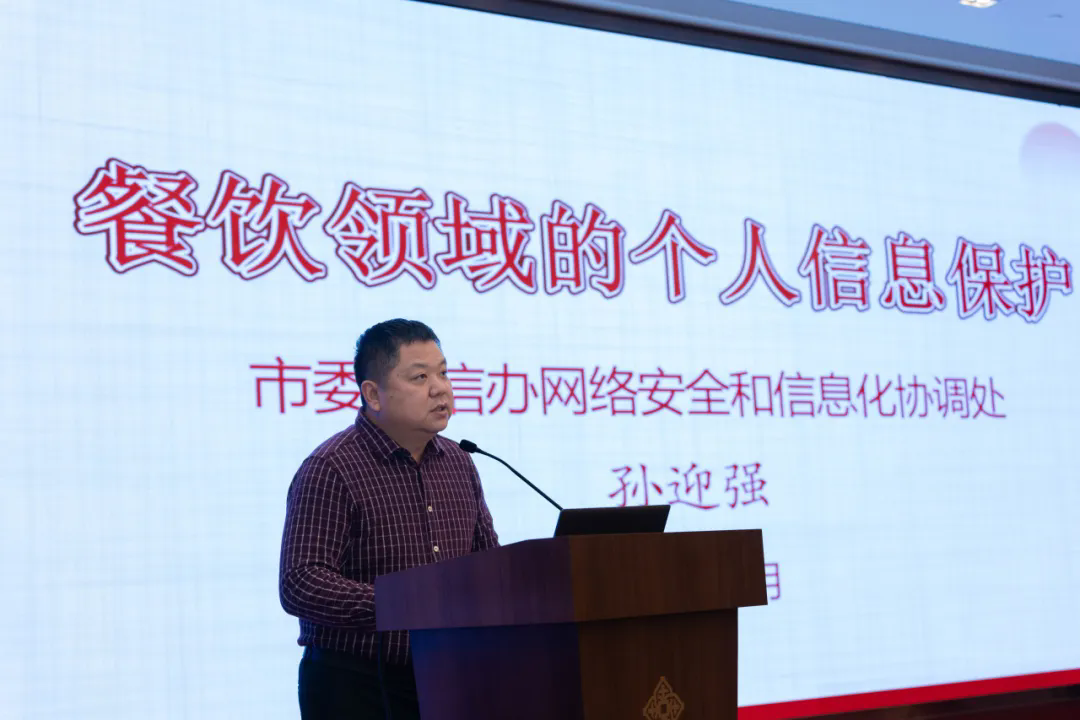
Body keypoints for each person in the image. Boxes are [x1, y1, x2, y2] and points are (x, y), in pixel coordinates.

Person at [279, 319, 499, 719]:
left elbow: (487, 562)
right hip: (357, 685)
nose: (441, 388)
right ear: (372, 394)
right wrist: (400, 603)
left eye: (443, 373)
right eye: (420, 377)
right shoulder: (331, 467)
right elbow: (301, 583)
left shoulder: (459, 462)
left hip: (451, 675)